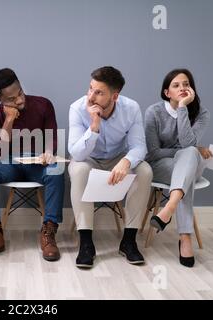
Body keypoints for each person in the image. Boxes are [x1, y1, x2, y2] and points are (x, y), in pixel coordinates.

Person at [68, 66, 153, 268]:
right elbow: (77, 153)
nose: (91, 96)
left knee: (145, 171)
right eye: (90, 88)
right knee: (79, 170)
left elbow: (139, 146)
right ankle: (86, 243)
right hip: (89, 159)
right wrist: (94, 125)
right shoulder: (78, 108)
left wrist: (126, 161)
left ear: (114, 96)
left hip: (118, 158)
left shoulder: (131, 108)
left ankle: (129, 241)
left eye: (99, 92)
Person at [0, 68, 65, 262]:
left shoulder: (43, 105)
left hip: (37, 163)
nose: (18, 101)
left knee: (56, 170)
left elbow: (52, 138)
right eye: (10, 99)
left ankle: (49, 233)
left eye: (20, 93)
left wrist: (48, 153)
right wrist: (8, 120)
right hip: (9, 163)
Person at [145, 68, 212, 268]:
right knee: (190, 158)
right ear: (167, 93)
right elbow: (154, 153)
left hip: (188, 164)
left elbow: (187, 144)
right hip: (161, 166)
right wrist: (187, 151)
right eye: (176, 85)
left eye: (186, 84)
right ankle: (185, 238)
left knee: (190, 154)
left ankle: (169, 207)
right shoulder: (154, 112)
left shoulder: (202, 114)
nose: (182, 88)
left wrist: (182, 107)